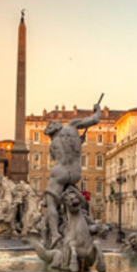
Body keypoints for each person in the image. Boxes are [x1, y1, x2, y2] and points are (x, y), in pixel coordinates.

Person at [43, 102, 103, 245]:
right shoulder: (72, 125)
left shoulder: (53, 144)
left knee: (50, 201)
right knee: (70, 196)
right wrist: (97, 110)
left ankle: (55, 234)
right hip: (75, 173)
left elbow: (58, 158)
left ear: (52, 132)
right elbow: (94, 119)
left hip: (60, 173)